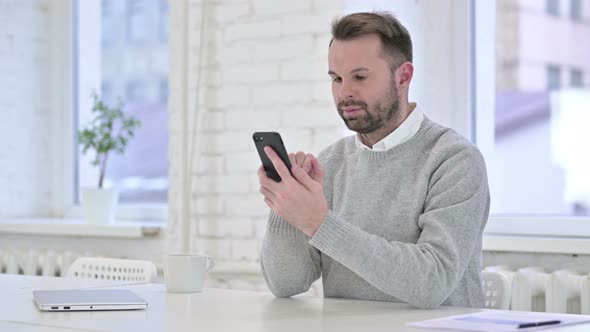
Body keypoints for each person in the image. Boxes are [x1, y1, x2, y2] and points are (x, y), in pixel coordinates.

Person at [257, 11, 490, 309]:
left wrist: (319, 223)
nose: (344, 93)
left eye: (360, 77)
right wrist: (287, 207)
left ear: (403, 76)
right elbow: (285, 284)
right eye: (336, 78)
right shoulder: (331, 162)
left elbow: (433, 282)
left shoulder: (455, 160)